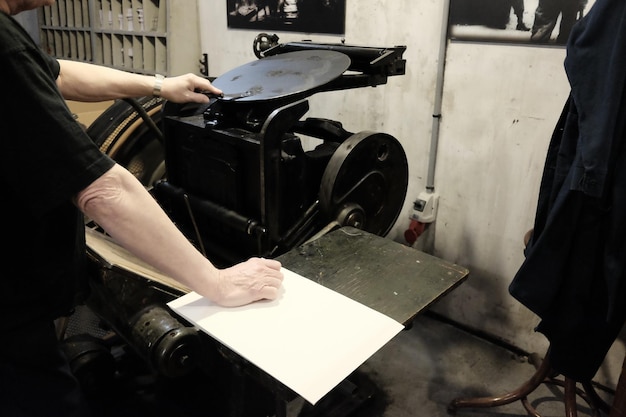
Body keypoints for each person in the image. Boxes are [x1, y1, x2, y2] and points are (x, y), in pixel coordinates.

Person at [0, 1, 284, 416]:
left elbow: (54, 72)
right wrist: (217, 282)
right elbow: (102, 190)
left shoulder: (10, 42)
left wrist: (158, 86)